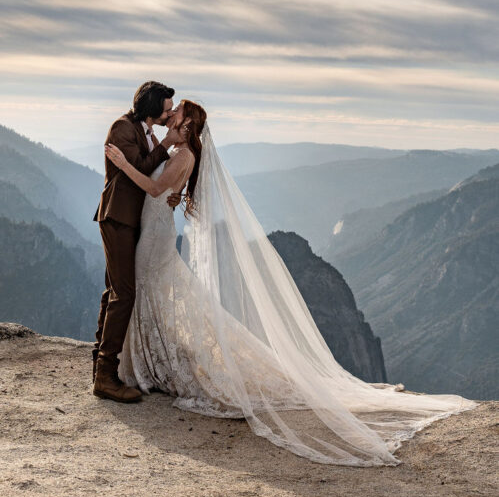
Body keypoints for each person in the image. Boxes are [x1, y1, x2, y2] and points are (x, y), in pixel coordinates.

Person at [104, 102, 478, 467]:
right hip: (150, 232)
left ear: (187, 127)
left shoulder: (183, 156)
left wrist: (123, 164)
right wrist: (159, 146)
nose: (171, 116)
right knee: (150, 294)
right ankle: (148, 363)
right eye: (169, 111)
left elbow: (155, 190)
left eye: (177, 114)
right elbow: (158, 178)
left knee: (153, 292)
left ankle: (148, 365)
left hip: (155, 237)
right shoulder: (176, 148)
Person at [92, 81, 182, 402]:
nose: (169, 113)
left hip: (131, 221)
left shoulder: (144, 132)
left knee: (114, 290)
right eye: (167, 108)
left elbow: (154, 174)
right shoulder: (123, 128)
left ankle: (99, 363)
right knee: (125, 294)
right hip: (117, 217)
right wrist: (168, 143)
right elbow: (140, 169)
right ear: (152, 108)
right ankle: (105, 374)